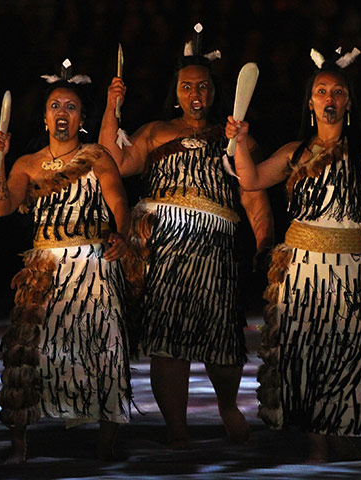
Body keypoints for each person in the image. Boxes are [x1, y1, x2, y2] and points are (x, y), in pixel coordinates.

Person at [99, 24, 274, 448]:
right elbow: (112, 162)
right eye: (186, 86)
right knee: (167, 343)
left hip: (216, 250)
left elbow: (253, 197)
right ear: (176, 91)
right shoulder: (156, 131)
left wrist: (266, 245)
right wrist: (111, 106)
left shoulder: (232, 137)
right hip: (163, 251)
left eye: (203, 85)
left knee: (222, 337)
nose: (195, 93)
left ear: (215, 91)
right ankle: (176, 426)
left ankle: (228, 405)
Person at [226, 47, 361, 463]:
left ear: (347, 103)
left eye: (337, 91)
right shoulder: (294, 152)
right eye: (321, 91)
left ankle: (340, 425)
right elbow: (249, 180)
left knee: (347, 350)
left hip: (351, 268)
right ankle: (317, 438)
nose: (329, 98)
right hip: (302, 267)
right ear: (311, 103)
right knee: (307, 351)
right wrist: (238, 141)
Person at [0, 61, 132, 463]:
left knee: (104, 350)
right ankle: (19, 445)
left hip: (92, 266)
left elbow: (119, 200)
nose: (62, 113)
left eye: (70, 107)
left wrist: (120, 233)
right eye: (56, 106)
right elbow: (3, 208)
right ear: (46, 115)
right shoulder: (28, 164)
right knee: (28, 353)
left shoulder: (98, 156)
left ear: (81, 117)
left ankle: (105, 444)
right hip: (44, 271)